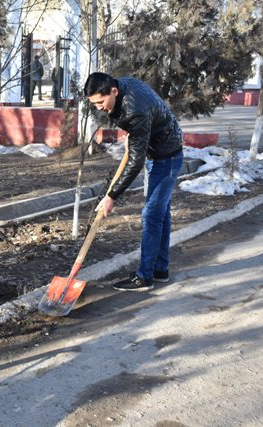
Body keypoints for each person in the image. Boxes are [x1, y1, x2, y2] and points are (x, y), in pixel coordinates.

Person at [84, 72, 184, 292]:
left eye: (101, 102)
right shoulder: (123, 86)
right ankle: (160, 270)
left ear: (114, 91)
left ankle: (144, 277)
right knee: (161, 214)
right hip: (160, 149)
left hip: (165, 159)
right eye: (94, 104)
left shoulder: (134, 111)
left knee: (151, 215)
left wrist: (112, 196)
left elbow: (135, 161)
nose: (99, 107)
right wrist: (139, 133)